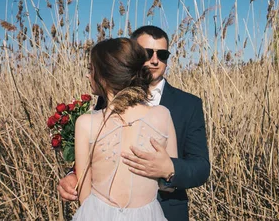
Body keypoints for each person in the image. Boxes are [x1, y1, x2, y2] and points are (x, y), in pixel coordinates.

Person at [60, 25, 210, 221]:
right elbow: (98, 151)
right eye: (148, 53)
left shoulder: (188, 105)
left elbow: (201, 166)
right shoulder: (103, 103)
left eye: (163, 54)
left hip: (164, 212)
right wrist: (75, 174)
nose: (155, 60)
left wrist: (170, 169)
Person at [72, 37, 177, 220]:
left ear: (105, 76)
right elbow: (169, 185)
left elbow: (83, 192)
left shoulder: (85, 123)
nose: (88, 76)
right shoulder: (162, 115)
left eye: (91, 70)